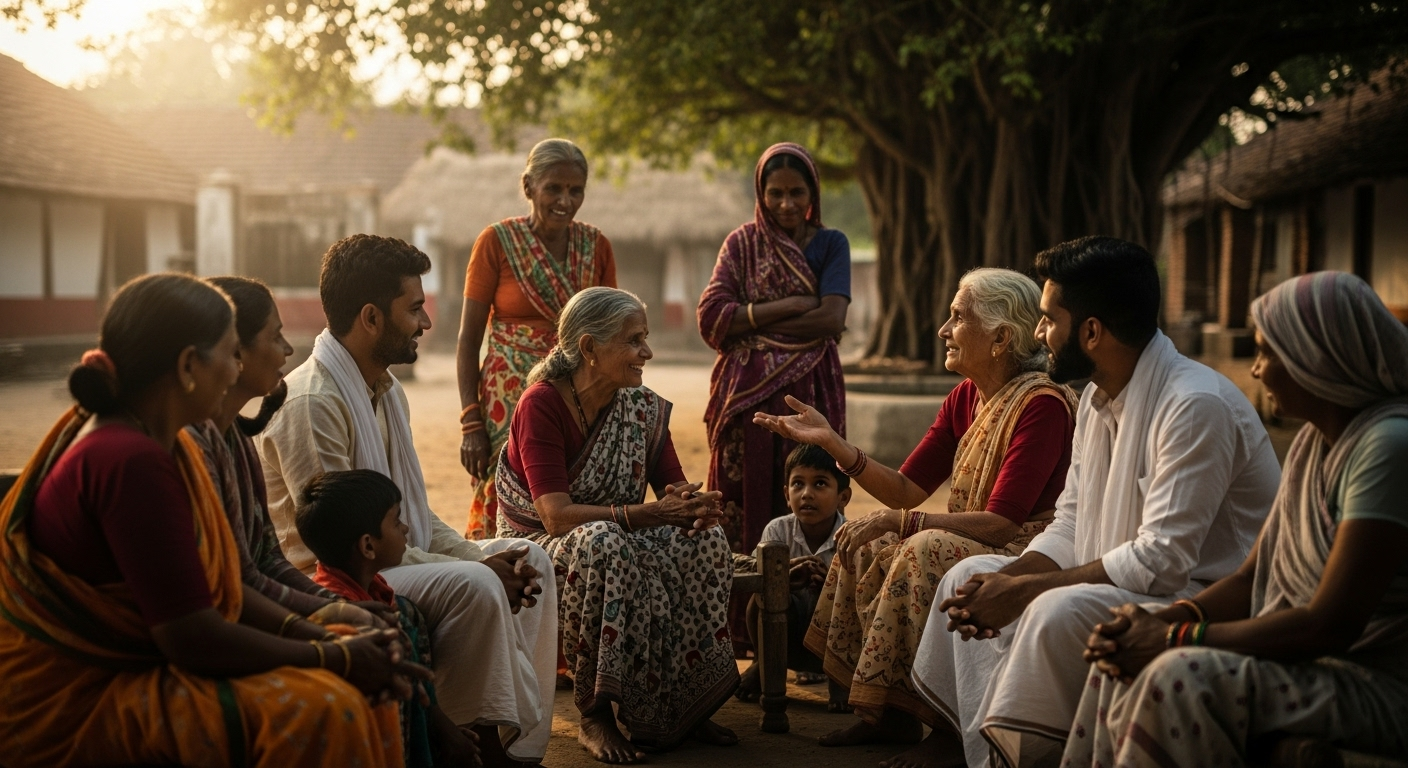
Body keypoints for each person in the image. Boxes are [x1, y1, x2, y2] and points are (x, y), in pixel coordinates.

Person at [0, 273, 416, 767]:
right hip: (79, 691)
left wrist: (329, 634)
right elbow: (191, 635)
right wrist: (332, 653)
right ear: (189, 366)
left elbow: (237, 580)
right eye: (229, 354)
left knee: (356, 657)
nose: (234, 369)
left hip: (140, 658)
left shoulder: (164, 442)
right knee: (328, 706)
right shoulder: (129, 458)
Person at [907, 236, 1282, 768]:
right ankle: (980, 754)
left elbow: (1162, 560)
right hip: (1119, 578)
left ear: (1090, 331)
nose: (1038, 335)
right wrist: (1012, 580)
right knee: (968, 575)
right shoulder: (1095, 400)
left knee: (1055, 608)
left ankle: (1030, 757)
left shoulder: (1194, 404)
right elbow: (1072, 522)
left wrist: (1027, 590)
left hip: (1195, 594)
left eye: (1046, 320)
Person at [1063, 271, 1408, 767]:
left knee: (1173, 675)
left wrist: (1172, 638)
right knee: (1120, 658)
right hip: (1315, 666)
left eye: (1270, 353)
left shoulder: (1387, 448)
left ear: (1319, 358)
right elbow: (1252, 577)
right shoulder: (1315, 443)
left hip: (1372, 682)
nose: (1259, 370)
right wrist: (1162, 621)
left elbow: (1327, 625)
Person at [257, 234, 558, 765]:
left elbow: (409, 518)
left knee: (532, 558)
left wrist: (482, 555)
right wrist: (478, 567)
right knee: (477, 584)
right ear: (372, 318)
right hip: (333, 574)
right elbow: (350, 542)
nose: (425, 323)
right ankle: (473, 741)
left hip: (388, 555)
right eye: (414, 308)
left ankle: (515, 743)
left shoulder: (386, 391)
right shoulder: (314, 402)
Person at [753, 268, 1078, 735]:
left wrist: (904, 522)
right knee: (862, 539)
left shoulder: (1041, 404)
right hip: (980, 533)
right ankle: (887, 713)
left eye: (957, 318)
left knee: (919, 549)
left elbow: (1004, 523)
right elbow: (907, 490)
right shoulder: (967, 395)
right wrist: (833, 443)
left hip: (1028, 547)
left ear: (1001, 337)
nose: (944, 331)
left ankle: (937, 724)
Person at [495, 286, 739, 764]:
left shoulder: (640, 408)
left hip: (616, 534)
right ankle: (597, 712)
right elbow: (554, 515)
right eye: (633, 341)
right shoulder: (540, 404)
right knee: (604, 543)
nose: (646, 352)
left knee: (704, 541)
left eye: (645, 338)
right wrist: (641, 515)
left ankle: (685, 704)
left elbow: (673, 486)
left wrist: (694, 505)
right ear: (589, 348)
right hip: (543, 542)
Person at [186, 275, 380, 622]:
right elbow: (223, 591)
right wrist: (322, 637)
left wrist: (337, 607)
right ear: (234, 351)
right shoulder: (188, 450)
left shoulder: (235, 442)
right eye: (274, 336)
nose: (288, 349)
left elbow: (265, 560)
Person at [697, 142, 851, 562]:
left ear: (812, 194)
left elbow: (831, 320)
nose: (786, 204)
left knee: (811, 482)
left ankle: (812, 607)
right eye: (775, 193)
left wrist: (751, 321)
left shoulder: (831, 244)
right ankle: (741, 616)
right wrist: (791, 305)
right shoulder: (741, 245)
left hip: (810, 392)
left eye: (796, 192)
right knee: (740, 496)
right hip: (744, 397)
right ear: (760, 194)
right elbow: (712, 318)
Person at [458, 138, 617, 540]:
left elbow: (613, 330)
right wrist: (470, 422)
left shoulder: (596, 246)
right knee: (505, 490)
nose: (565, 200)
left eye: (575, 190)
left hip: (579, 393)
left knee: (569, 491)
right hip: (505, 399)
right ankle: (503, 583)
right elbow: (468, 338)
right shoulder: (496, 242)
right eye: (554, 188)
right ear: (529, 187)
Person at [297, 469, 481, 768]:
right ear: (368, 546)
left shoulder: (388, 601)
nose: (406, 528)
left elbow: (421, 693)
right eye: (396, 521)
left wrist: (439, 729)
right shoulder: (341, 620)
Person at [738, 443, 851, 698]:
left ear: (843, 497)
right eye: (797, 484)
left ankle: (839, 676)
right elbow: (760, 582)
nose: (806, 494)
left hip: (830, 648)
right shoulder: (777, 531)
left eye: (820, 484)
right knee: (761, 594)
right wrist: (782, 578)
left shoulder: (851, 538)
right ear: (787, 495)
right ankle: (763, 663)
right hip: (784, 641)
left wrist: (832, 587)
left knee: (848, 600)